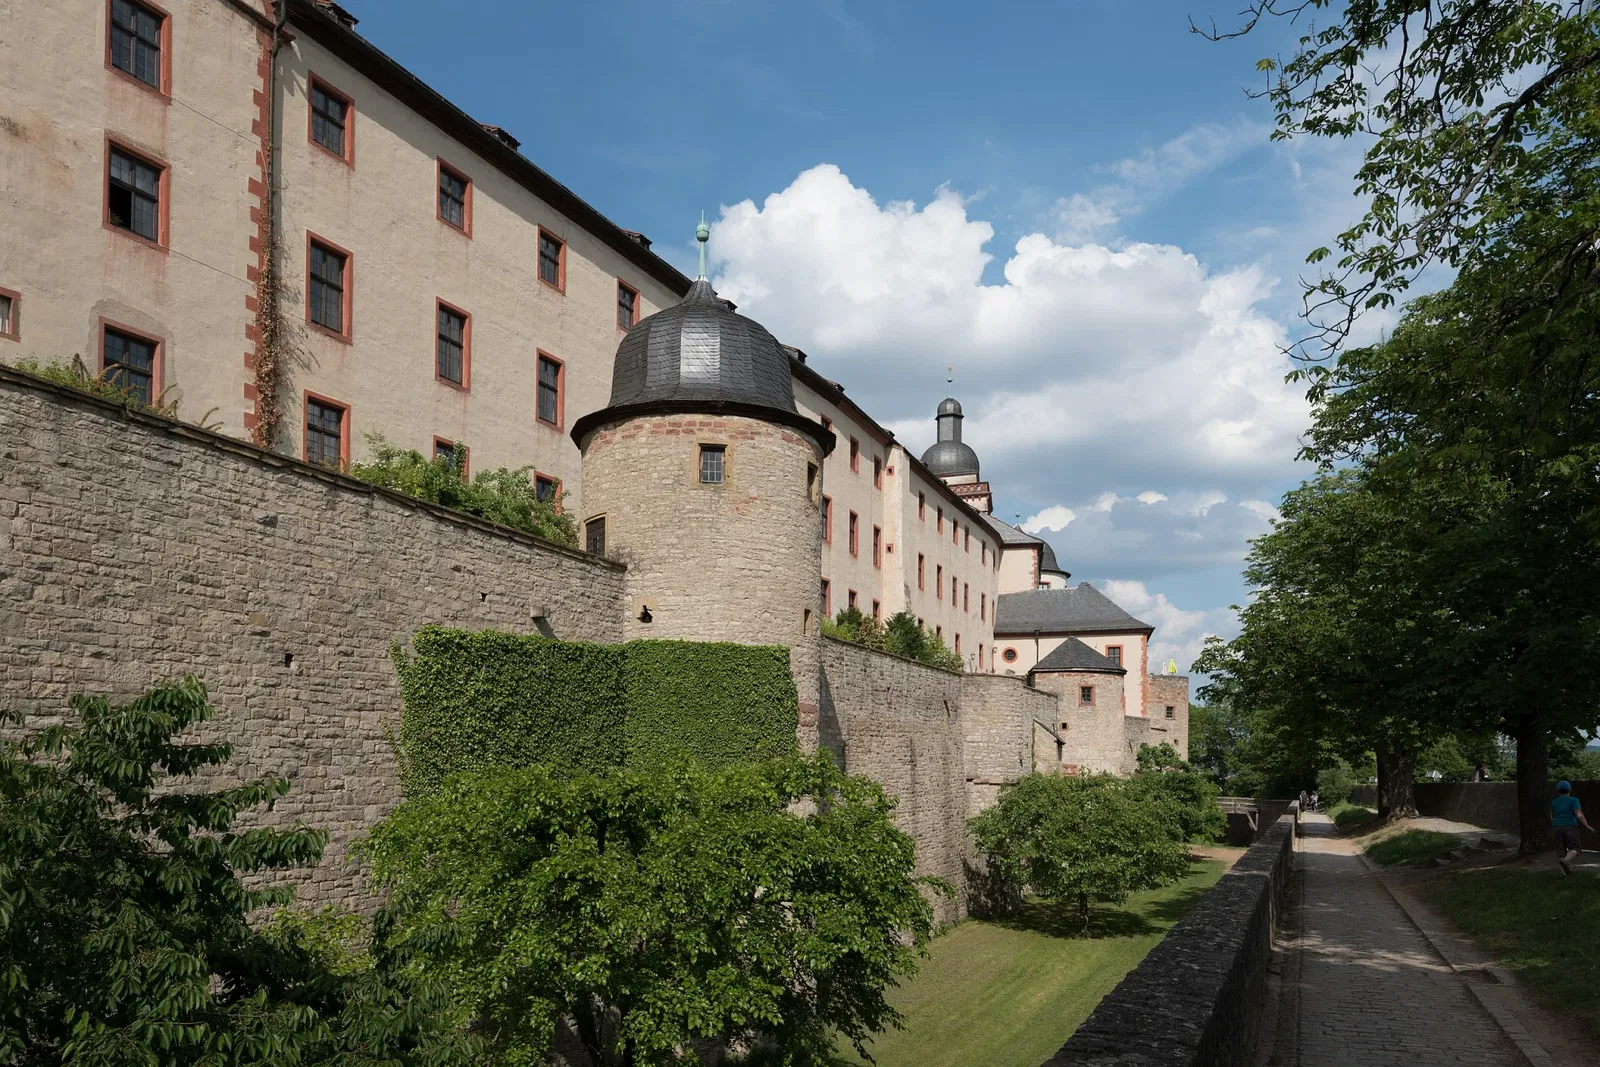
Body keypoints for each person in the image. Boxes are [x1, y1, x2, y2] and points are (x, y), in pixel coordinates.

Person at [1551, 781, 1593, 875]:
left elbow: (1553, 815)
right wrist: (1586, 825)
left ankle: (1563, 871)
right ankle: (1566, 861)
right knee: (1575, 848)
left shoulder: (1554, 801)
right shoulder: (1573, 800)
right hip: (1570, 826)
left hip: (1556, 827)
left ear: (1558, 791)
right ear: (1570, 790)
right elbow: (1578, 814)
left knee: (1560, 850)